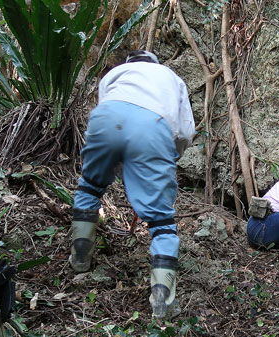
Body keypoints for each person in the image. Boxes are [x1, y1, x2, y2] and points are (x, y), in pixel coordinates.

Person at [69, 50, 195, 319]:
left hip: (106, 117)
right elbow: (184, 132)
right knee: (161, 221)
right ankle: (162, 302)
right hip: (152, 127)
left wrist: (120, 162)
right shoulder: (172, 78)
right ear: (155, 63)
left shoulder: (115, 73)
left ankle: (80, 260)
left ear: (130, 64)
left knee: (90, 186)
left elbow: (112, 111)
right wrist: (165, 159)